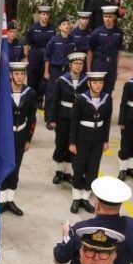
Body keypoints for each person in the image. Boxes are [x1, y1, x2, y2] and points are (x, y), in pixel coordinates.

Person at [54, 177, 133, 264]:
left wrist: (66, 235)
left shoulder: (81, 230)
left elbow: (58, 259)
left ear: (97, 204)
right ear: (120, 204)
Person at [67, 72, 111, 213]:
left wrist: (105, 140)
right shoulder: (81, 99)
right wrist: (72, 142)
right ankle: (76, 198)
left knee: (93, 168)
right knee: (79, 167)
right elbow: (74, 122)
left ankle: (85, 197)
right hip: (82, 138)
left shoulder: (107, 99)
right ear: (89, 83)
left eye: (100, 83)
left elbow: (107, 121)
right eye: (95, 82)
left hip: (98, 139)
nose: (98, 85)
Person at [0, 62, 37, 215]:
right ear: (11, 75)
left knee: (15, 169)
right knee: (4, 168)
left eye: (22, 74)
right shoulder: (3, 92)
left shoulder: (30, 93)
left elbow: (32, 118)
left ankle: (10, 200)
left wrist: (28, 139)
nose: (20, 77)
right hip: (5, 136)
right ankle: (2, 200)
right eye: (16, 74)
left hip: (20, 136)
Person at [48, 52, 86, 185]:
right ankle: (59, 171)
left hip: (78, 118)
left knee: (73, 144)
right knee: (61, 143)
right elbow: (54, 101)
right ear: (70, 65)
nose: (78, 66)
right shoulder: (62, 81)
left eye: (80, 63)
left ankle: (68, 172)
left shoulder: (86, 81)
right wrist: (52, 119)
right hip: (63, 117)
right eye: (76, 63)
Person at [44, 17, 75, 118]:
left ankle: (59, 117)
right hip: (55, 69)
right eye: (64, 24)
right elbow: (47, 57)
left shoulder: (72, 40)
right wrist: (46, 72)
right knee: (51, 94)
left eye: (68, 24)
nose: (67, 26)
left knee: (64, 92)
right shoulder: (54, 40)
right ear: (59, 27)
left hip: (67, 70)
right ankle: (49, 118)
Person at [87, 7, 123, 95]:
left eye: (110, 16)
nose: (107, 19)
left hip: (111, 66)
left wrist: (116, 67)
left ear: (114, 17)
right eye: (105, 16)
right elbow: (90, 52)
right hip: (99, 65)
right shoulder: (96, 33)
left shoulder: (119, 32)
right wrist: (89, 70)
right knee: (97, 91)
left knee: (109, 91)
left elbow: (118, 52)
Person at [25, 7, 55, 108]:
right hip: (34, 54)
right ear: (39, 15)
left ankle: (39, 100)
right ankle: (30, 101)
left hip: (46, 55)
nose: (45, 16)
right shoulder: (33, 28)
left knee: (43, 80)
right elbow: (27, 44)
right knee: (32, 79)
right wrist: (26, 58)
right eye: (43, 14)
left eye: (47, 15)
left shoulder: (52, 28)